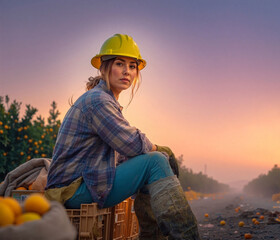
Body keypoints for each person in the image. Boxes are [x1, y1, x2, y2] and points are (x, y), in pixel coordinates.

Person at [45, 33, 200, 240]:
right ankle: (187, 237)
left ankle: (154, 236)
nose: (127, 71)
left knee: (151, 163)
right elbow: (132, 144)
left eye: (132, 66)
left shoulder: (104, 100)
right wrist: (159, 148)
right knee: (155, 161)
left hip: (83, 184)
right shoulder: (98, 101)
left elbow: (123, 154)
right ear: (104, 67)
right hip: (72, 191)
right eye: (120, 63)